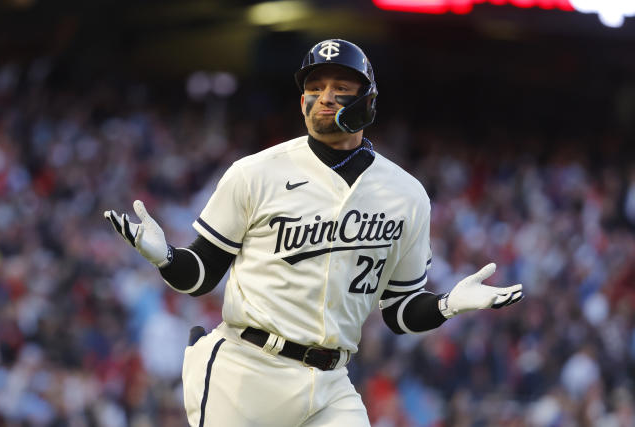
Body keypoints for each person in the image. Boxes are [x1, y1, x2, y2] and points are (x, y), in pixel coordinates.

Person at [104, 39, 524, 427]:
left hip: (330, 382)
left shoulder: (407, 194)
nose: (324, 96)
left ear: (367, 101)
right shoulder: (256, 172)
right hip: (247, 370)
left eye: (340, 86)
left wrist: (448, 305)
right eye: (315, 86)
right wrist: (166, 257)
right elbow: (201, 276)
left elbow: (400, 312)